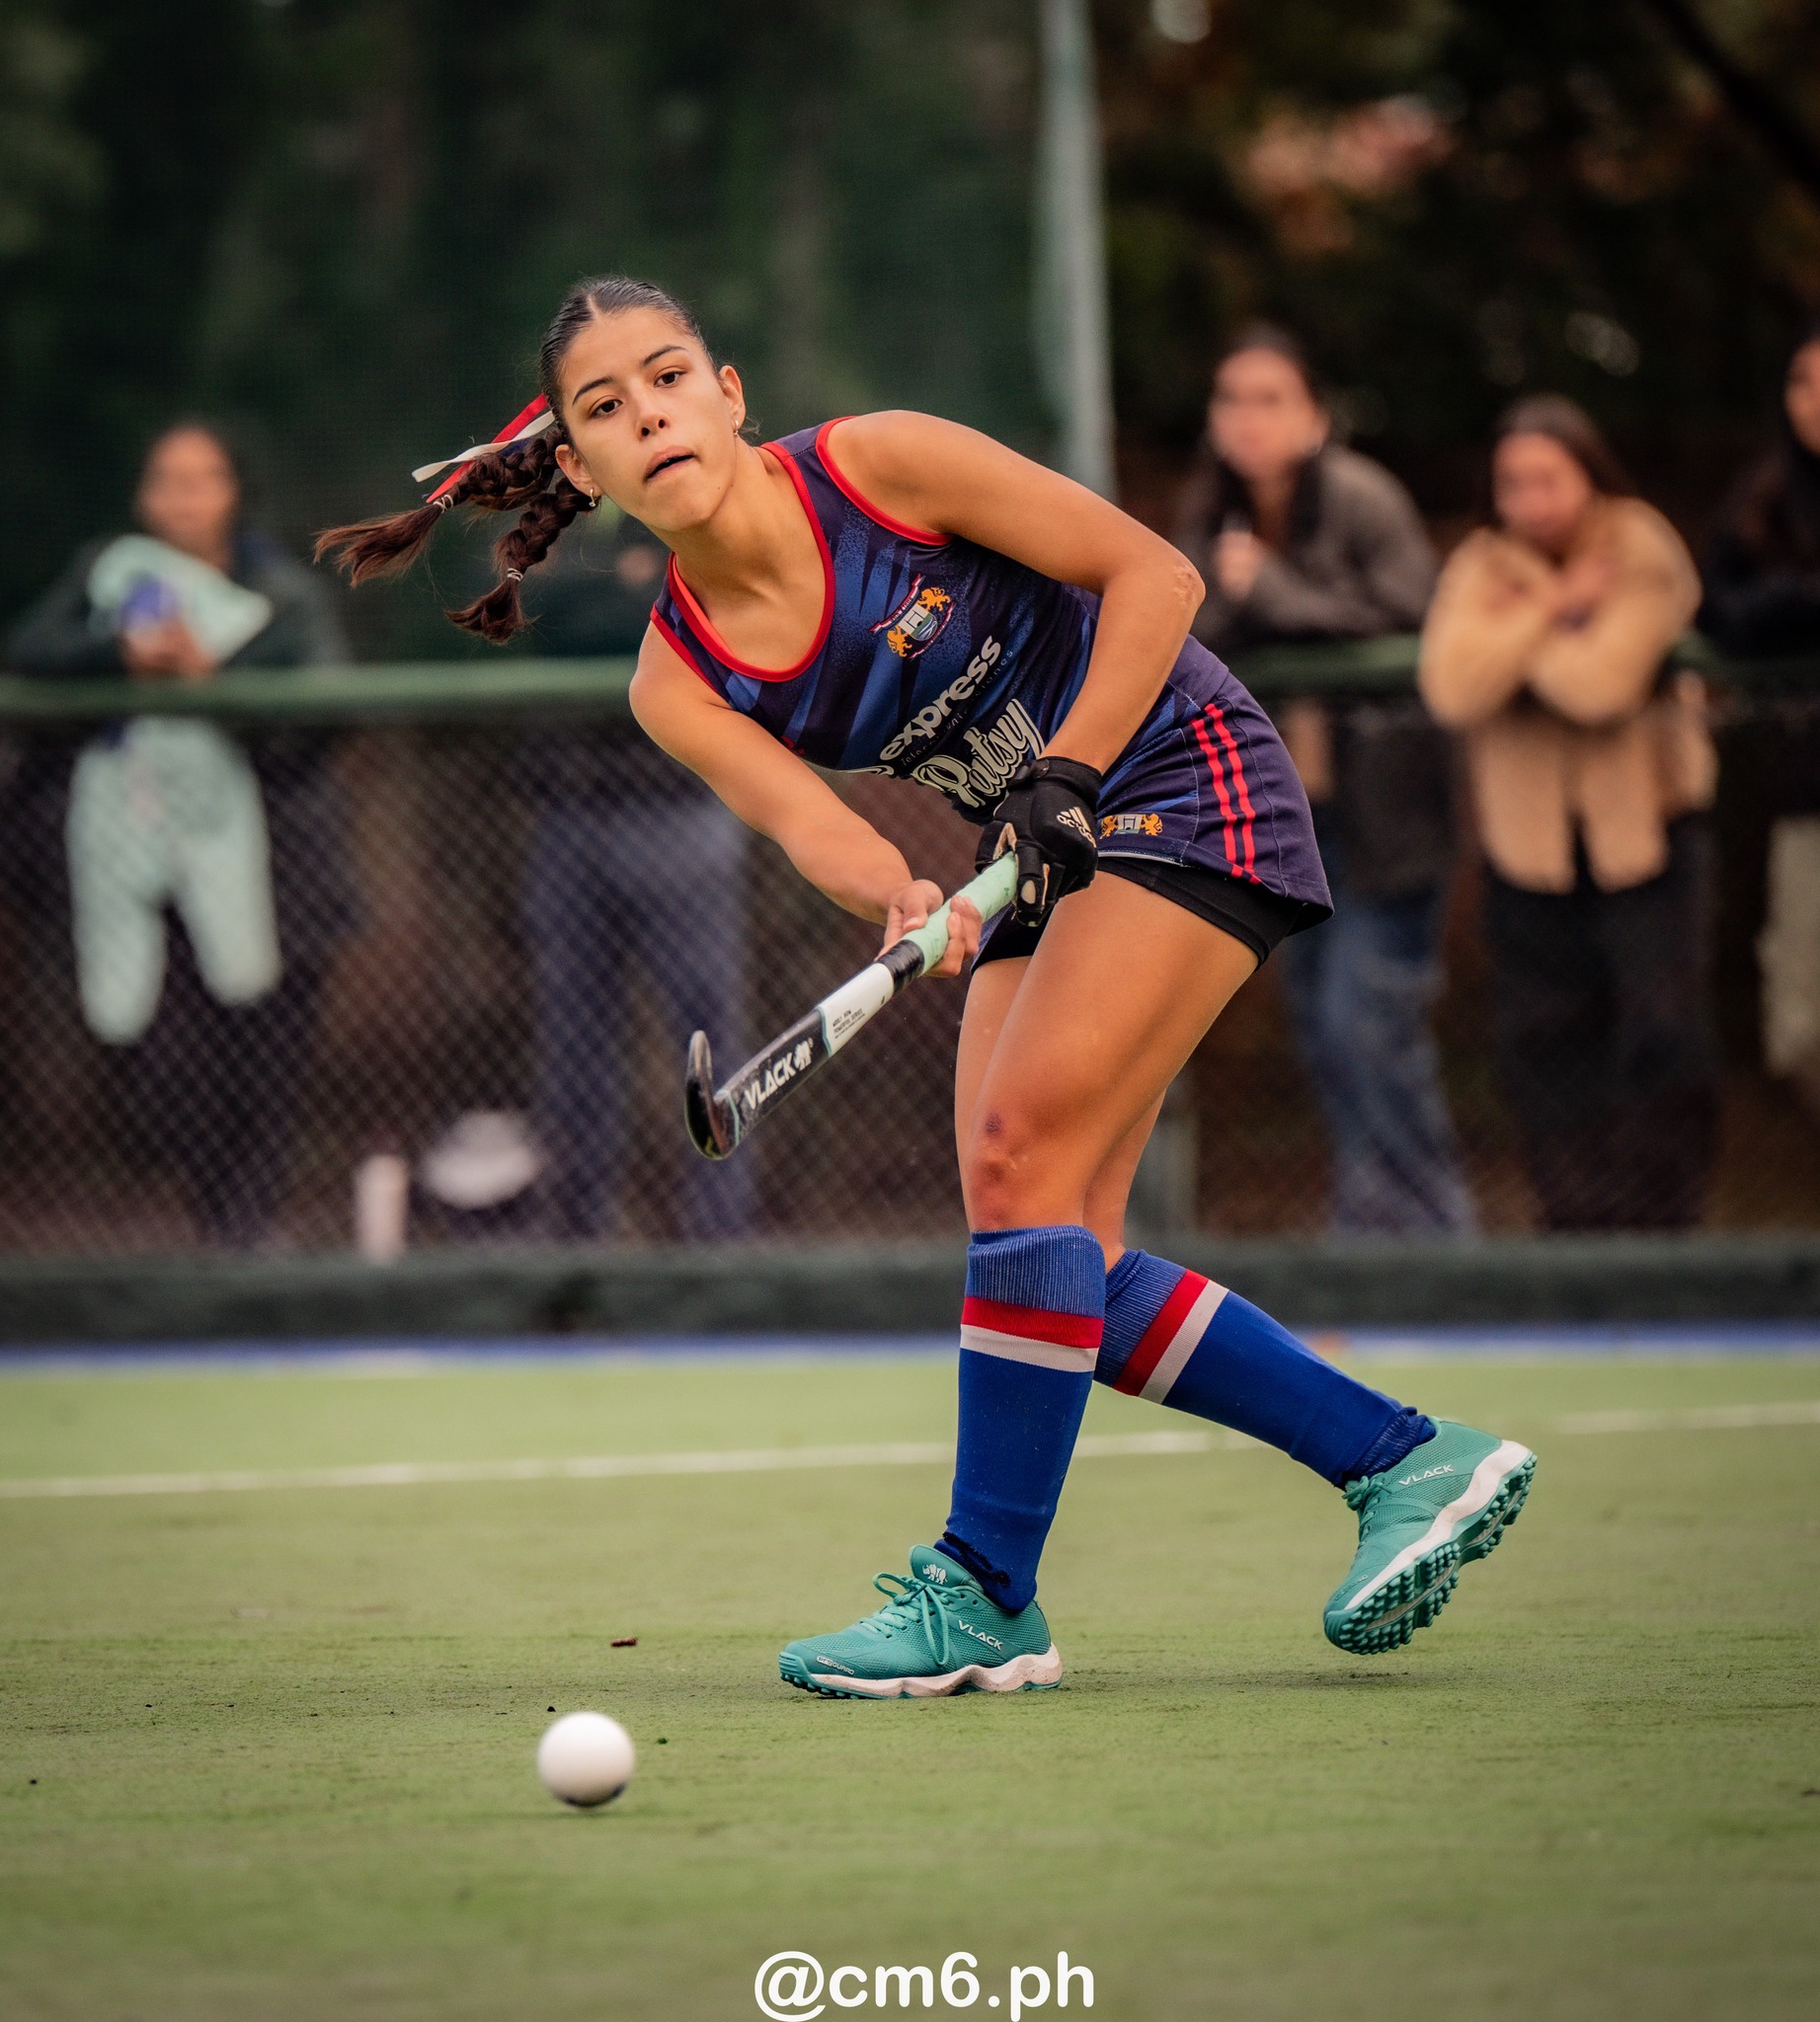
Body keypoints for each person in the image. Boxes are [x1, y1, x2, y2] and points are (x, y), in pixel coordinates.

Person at [321, 275, 1536, 1695]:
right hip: (1033, 850)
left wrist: (1065, 774)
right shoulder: (675, 680)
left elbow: (1160, 576)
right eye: (605, 406)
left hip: (1176, 772)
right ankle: (1406, 1461)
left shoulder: (881, 466)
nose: (647, 412)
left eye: (667, 376)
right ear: (582, 469)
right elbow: (820, 829)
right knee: (1040, 1238)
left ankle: (983, 1591)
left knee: (1020, 1163)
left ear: (729, 395)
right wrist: (900, 898)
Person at [6, 423, 357, 1246]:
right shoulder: (112, 573)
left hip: (278, 876)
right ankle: (213, 1232)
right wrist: (121, 657)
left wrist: (214, 679)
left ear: (234, 491)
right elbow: (31, 651)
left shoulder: (279, 590)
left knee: (265, 1063)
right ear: (143, 494)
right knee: (173, 1070)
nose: (183, 498)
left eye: (202, 480)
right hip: (142, 868)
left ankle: (249, 1235)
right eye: (167, 479)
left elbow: (329, 708)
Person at [1173, 328, 1472, 1234]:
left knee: (1371, 1027)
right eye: (1232, 398)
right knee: (1322, 1034)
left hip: (1386, 820)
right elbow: (1179, 631)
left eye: (1271, 399)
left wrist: (1272, 592)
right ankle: (1373, 1239)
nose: (1249, 419)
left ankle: (1436, 1246)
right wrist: (1245, 595)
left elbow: (1415, 615)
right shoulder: (1209, 511)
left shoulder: (1365, 499)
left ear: (1314, 414)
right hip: (1277, 824)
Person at [1419, 397, 1714, 1230]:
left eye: (1549, 479)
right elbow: (1450, 684)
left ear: (1590, 473)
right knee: (1543, 1042)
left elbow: (1602, 685)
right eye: (1512, 483)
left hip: (1647, 839)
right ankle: (1575, 1233)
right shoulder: (1481, 561)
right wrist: (1556, 608)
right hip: (1528, 848)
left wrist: (1510, 636)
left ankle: (1663, 1232)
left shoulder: (1640, 541)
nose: (1530, 500)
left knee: (1661, 1035)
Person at [514, 512, 757, 1239]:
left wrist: (599, 597)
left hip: (678, 811)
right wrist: (607, 591)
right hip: (566, 814)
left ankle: (721, 1241)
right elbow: (521, 609)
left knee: (707, 1031)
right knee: (574, 1041)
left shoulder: (680, 499)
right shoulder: (547, 512)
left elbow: (694, 611)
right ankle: (579, 1242)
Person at [1701, 317, 1820, 1155]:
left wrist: (1799, 601)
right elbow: (1725, 613)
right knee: (1804, 1029)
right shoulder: (1765, 499)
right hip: (1809, 801)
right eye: (1803, 380)